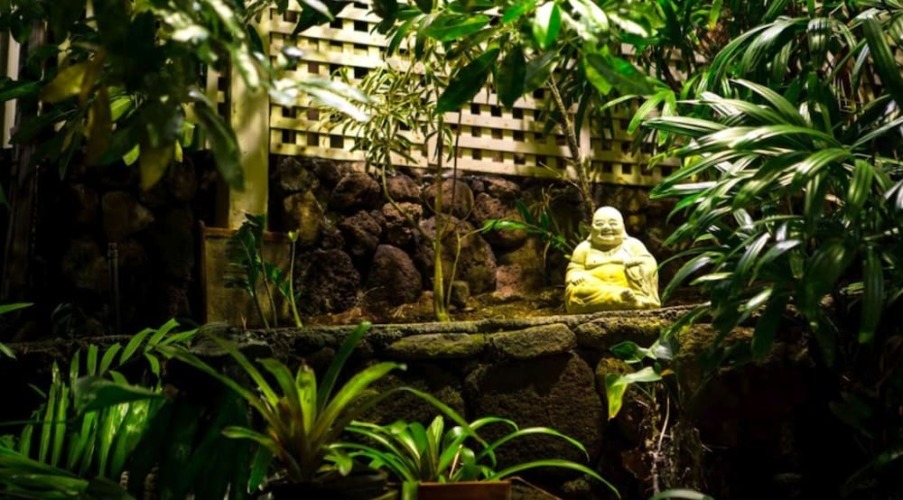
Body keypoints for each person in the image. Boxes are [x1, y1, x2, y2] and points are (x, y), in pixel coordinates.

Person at [565, 206, 661, 313]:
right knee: (579, 291)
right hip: (595, 288)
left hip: (631, 289)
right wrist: (576, 275)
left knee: (638, 267)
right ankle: (621, 299)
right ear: (592, 228)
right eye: (600, 224)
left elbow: (649, 262)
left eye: (613, 224)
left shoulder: (633, 244)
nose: (606, 228)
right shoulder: (584, 248)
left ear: (622, 227)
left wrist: (636, 264)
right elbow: (574, 268)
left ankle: (633, 300)